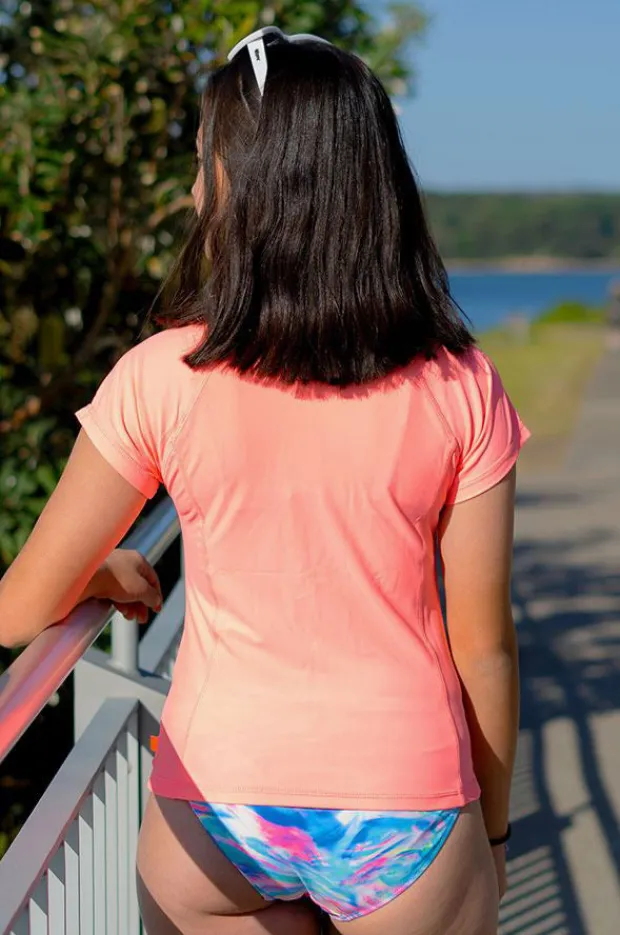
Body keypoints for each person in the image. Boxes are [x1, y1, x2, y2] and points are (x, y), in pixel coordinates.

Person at [0, 26, 529, 935]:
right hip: (401, 805)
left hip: (217, 810)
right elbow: (484, 644)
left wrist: (106, 571)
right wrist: (491, 829)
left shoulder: (160, 377)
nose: (193, 185)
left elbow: (17, 609)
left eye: (206, 159)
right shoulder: (459, 382)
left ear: (244, 183)